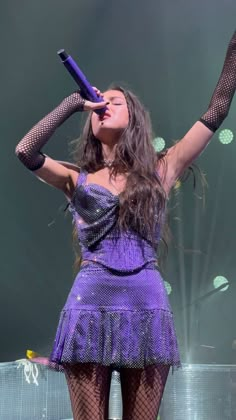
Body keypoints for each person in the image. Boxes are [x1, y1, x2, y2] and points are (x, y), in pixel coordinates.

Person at [15, 30, 236, 420]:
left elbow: (216, 110)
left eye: (115, 102)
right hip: (89, 306)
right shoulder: (75, 177)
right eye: (101, 102)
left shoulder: (161, 169)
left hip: (147, 306)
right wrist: (71, 104)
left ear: (133, 116)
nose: (106, 104)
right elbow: (25, 150)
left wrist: (234, 49)